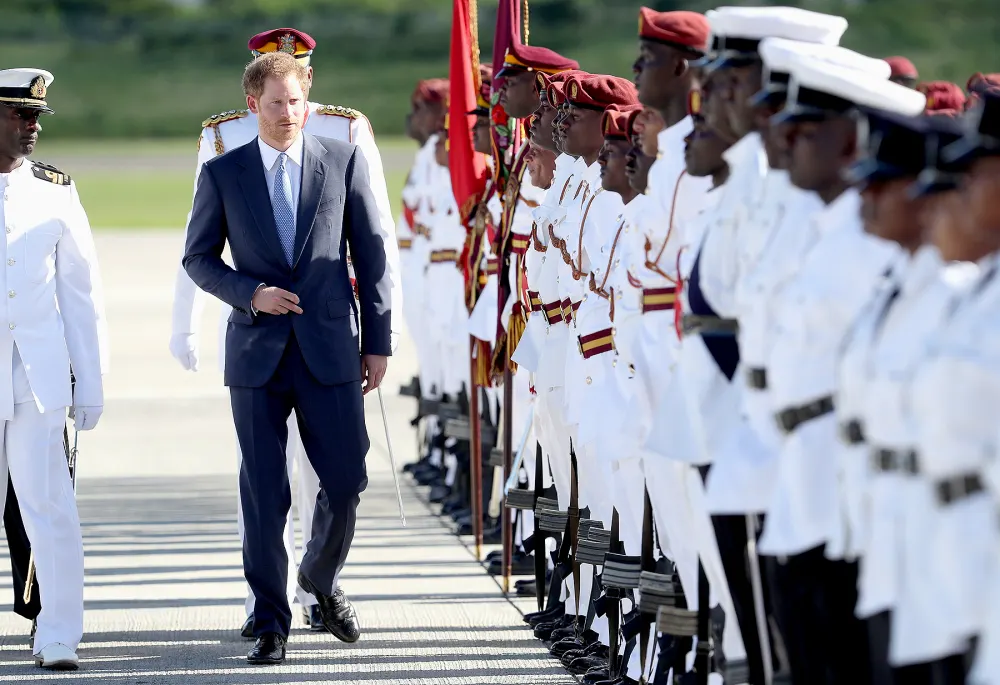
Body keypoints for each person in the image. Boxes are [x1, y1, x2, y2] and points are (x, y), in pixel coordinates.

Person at [168, 26, 401, 636]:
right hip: (256, 352)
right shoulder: (224, 170)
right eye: (275, 103)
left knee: (348, 478)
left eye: (296, 102)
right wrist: (250, 295)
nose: (288, 114)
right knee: (265, 495)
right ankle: (270, 621)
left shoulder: (343, 158)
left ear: (308, 100)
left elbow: (373, 256)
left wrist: (378, 343)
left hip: (329, 349)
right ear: (253, 105)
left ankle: (318, 579)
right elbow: (197, 258)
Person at [0, 68, 109, 670]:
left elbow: (80, 293)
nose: (31, 126)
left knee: (51, 508)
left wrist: (89, 384)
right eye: (19, 115)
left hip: (38, 379)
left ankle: (59, 631)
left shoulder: (54, 189)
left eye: (37, 117)